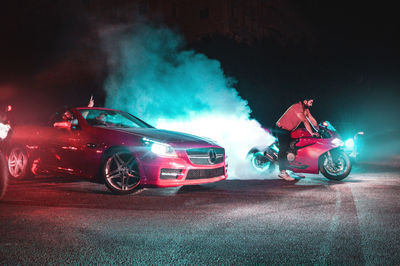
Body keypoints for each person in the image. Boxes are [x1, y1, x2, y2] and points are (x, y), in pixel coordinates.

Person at [275, 99, 319, 181]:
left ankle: (292, 170)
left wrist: (319, 129)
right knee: (283, 149)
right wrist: (312, 132)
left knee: (294, 148)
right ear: (305, 101)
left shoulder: (305, 110)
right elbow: (305, 120)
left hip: (289, 130)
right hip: (282, 129)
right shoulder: (297, 107)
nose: (311, 105)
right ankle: (282, 172)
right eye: (310, 102)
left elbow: (311, 119)